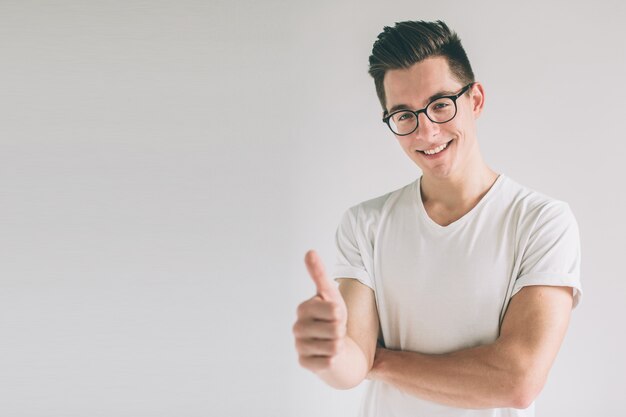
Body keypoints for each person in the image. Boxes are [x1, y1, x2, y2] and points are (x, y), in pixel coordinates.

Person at [292, 20, 582, 417]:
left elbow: (517, 381)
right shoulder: (366, 224)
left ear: (475, 100)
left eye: (441, 104)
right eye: (403, 115)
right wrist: (329, 349)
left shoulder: (541, 222)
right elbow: (351, 365)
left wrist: (379, 361)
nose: (426, 131)